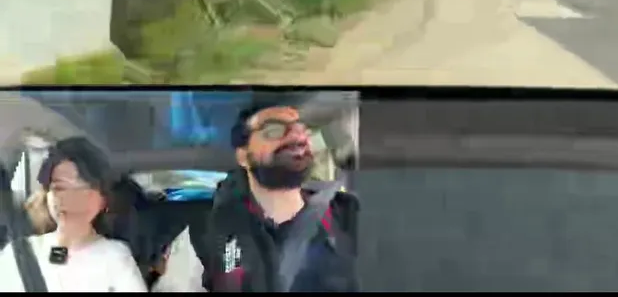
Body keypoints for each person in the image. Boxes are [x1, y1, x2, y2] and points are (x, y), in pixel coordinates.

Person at [152, 99, 358, 292]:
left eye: (302, 129)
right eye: (274, 130)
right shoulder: (203, 233)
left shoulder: (349, 216)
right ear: (243, 155)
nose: (297, 137)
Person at [0, 137, 147, 292]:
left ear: (102, 200)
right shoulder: (18, 254)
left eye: (83, 189)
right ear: (46, 194)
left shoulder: (116, 257)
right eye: (60, 188)